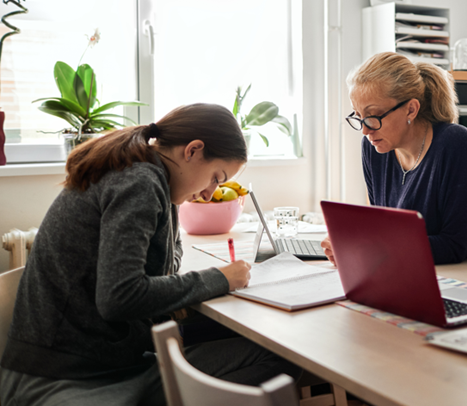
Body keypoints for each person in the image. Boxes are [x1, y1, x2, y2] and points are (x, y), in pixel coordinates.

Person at [0, 104, 299, 406]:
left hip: (101, 362)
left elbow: (166, 263)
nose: (210, 193)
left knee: (272, 354)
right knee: (279, 366)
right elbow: (120, 296)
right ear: (193, 150)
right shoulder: (139, 182)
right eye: (215, 177)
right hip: (65, 379)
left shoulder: (151, 177)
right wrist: (219, 278)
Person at [321, 52, 467, 265]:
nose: (365, 130)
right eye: (358, 116)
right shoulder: (374, 148)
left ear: (411, 109)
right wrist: (350, 242)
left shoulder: (457, 144)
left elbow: (454, 246)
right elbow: (385, 230)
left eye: (373, 116)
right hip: (415, 269)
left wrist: (371, 247)